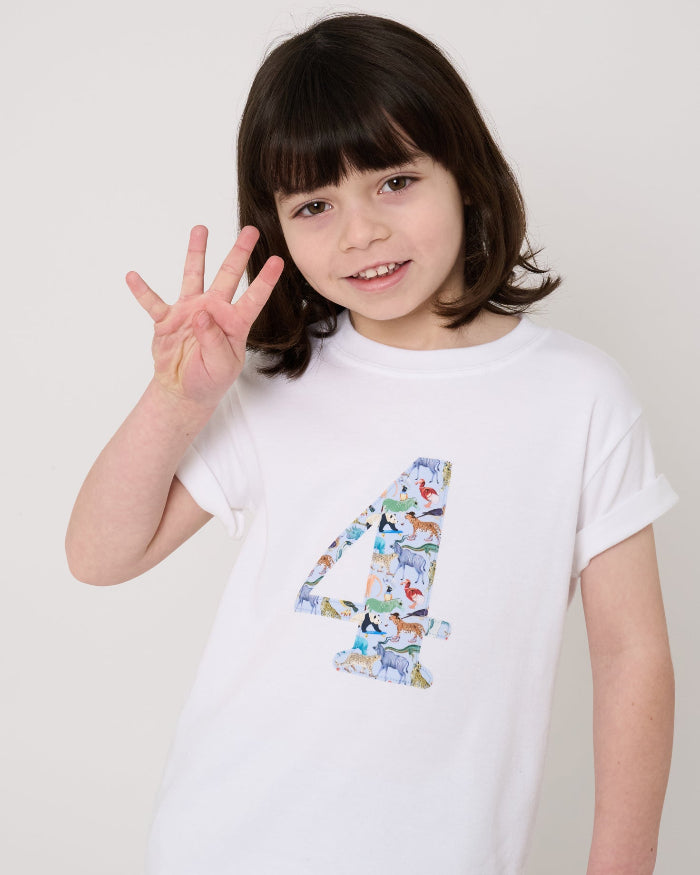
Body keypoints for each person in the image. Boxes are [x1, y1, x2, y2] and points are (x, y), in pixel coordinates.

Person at [65, 13, 679, 875]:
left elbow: (631, 654)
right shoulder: (277, 385)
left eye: (393, 181)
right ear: (274, 230)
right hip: (222, 843)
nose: (359, 232)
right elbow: (98, 554)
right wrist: (175, 405)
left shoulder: (578, 396)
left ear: (464, 171)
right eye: (314, 204)